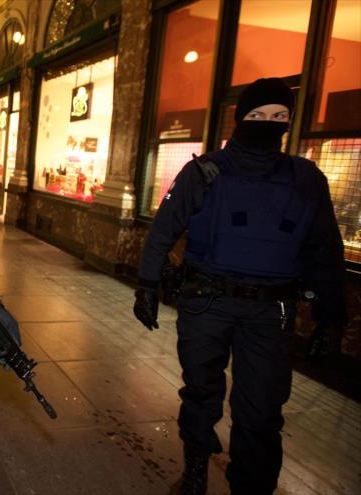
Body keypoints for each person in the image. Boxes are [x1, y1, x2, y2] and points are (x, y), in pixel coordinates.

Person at [133, 78, 347, 495]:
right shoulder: (205, 171)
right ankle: (195, 472)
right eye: (258, 116)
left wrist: (331, 318)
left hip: (271, 312)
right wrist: (146, 285)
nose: (269, 123)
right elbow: (163, 230)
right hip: (206, 302)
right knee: (200, 393)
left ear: (290, 121)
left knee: (262, 410)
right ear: (241, 119)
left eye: (280, 117)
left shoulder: (306, 179)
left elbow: (326, 250)